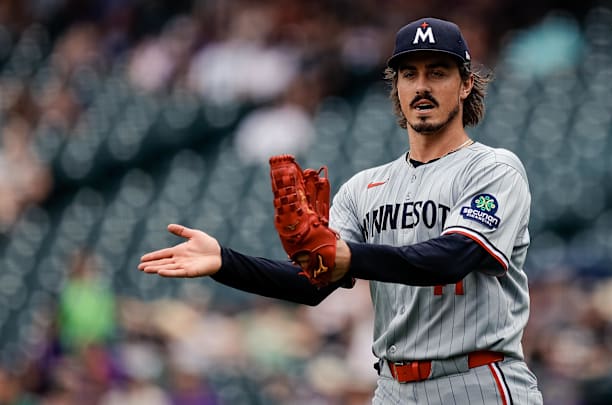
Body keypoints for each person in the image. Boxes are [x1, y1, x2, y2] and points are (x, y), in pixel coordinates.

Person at [139, 17, 543, 404]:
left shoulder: (492, 169)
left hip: (477, 381)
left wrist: (350, 257)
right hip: (392, 386)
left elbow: (452, 258)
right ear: (396, 87)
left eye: (438, 72)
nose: (422, 86)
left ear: (466, 84)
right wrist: (224, 262)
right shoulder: (363, 189)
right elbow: (312, 283)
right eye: (409, 74)